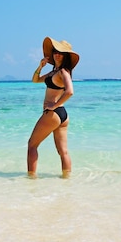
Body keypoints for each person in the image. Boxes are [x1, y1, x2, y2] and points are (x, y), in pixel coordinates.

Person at [28, 37, 80, 178]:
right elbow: (35, 80)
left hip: (53, 113)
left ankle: (31, 178)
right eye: (56, 51)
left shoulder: (63, 72)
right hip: (62, 115)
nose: (57, 54)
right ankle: (66, 179)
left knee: (32, 145)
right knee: (63, 151)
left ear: (65, 56)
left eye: (61, 53)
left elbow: (70, 91)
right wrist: (41, 66)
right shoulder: (53, 72)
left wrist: (53, 105)